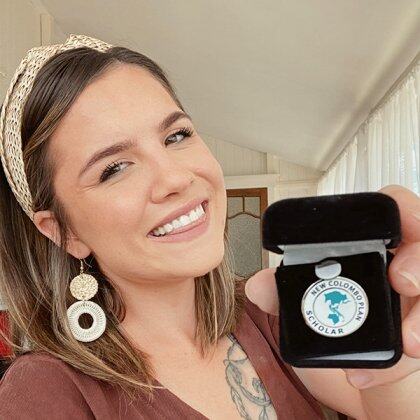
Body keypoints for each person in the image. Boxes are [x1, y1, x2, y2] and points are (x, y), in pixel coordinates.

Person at [0, 34, 418, 420]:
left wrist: (401, 348)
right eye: (114, 168)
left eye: (176, 136)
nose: (176, 177)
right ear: (63, 231)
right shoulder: (43, 391)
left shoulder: (275, 313)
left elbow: (383, 402)